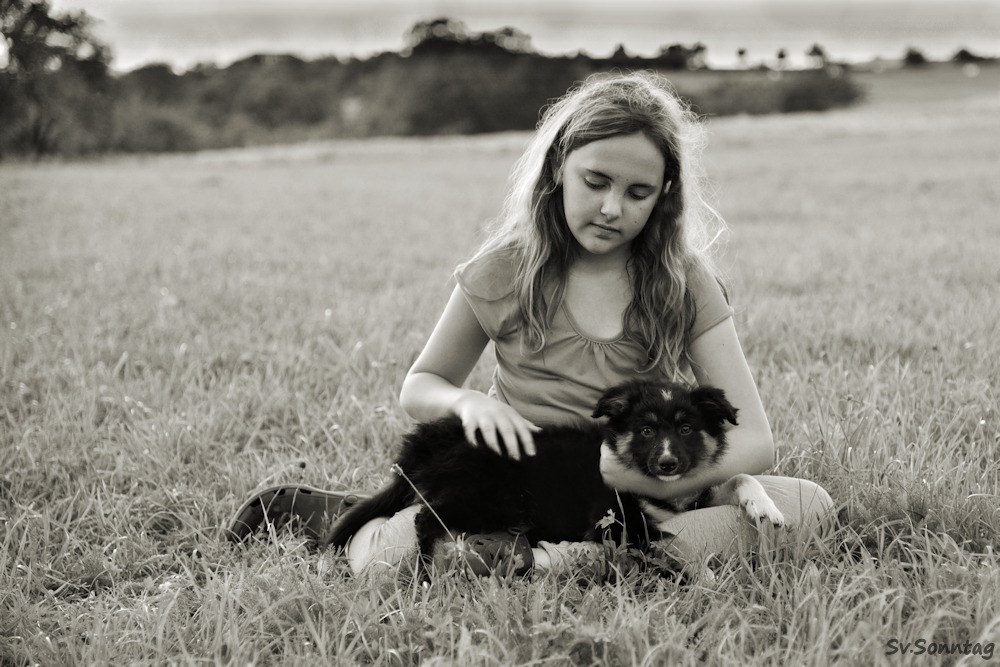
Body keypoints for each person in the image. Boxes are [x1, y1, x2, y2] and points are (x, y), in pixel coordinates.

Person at [228, 71, 834, 579]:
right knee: (387, 567)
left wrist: (654, 479)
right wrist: (468, 405)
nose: (611, 208)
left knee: (808, 505)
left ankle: (570, 560)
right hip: (518, 482)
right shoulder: (507, 270)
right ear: (558, 170)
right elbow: (422, 385)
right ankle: (344, 517)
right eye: (595, 182)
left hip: (641, 488)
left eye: (638, 192)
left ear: (664, 197)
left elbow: (756, 440)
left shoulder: (683, 281)